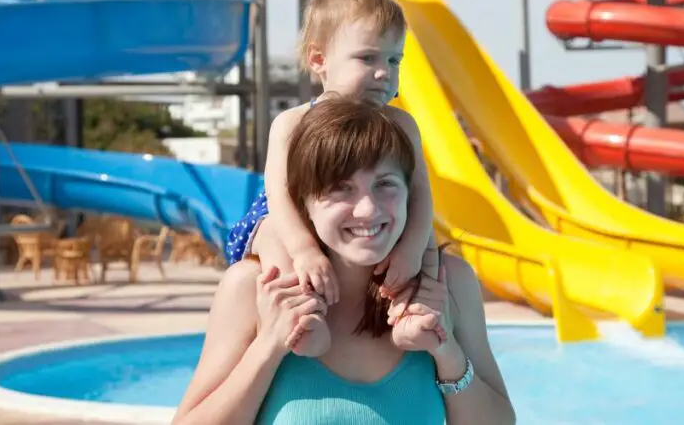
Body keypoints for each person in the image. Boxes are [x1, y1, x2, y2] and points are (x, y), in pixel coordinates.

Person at [173, 99, 515, 425]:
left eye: (385, 184)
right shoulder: (255, 288)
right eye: (341, 188)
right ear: (303, 202)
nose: (368, 209)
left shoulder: (448, 283)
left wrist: (447, 351)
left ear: (410, 194)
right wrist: (269, 345)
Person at [224, 0, 439, 353]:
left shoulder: (402, 125)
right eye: (367, 58)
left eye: (393, 60)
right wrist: (304, 248)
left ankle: (416, 314)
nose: (383, 72)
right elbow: (277, 193)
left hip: (352, 222)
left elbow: (420, 193)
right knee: (276, 235)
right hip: (286, 218)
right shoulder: (292, 123)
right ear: (319, 59)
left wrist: (413, 248)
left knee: (427, 239)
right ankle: (304, 321)